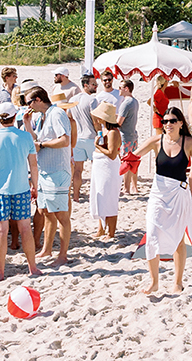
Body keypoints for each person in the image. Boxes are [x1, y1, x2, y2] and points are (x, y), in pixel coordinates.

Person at [131, 106, 192, 294]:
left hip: (178, 194)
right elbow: (133, 156)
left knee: (178, 238)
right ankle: (154, 281)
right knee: (152, 234)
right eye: (165, 121)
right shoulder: (156, 140)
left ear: (180, 123)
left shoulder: (189, 142)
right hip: (158, 194)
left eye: (171, 121)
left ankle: (177, 282)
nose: (167, 124)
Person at [0, 102, 40, 280]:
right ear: (14, 117)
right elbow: (33, 166)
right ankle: (32, 268)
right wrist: (35, 187)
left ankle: (0, 271)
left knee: (1, 231)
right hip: (21, 188)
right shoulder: (26, 137)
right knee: (25, 229)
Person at [26, 88, 73, 264]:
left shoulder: (57, 114)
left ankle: (63, 255)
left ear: (37, 100)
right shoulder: (42, 117)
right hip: (45, 170)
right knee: (46, 211)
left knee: (61, 214)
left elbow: (65, 140)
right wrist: (28, 124)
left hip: (57, 170)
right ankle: (47, 249)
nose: (27, 106)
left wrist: (43, 144)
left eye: (28, 102)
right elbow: (35, 142)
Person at [89, 100, 124, 239]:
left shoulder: (113, 133)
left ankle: (111, 232)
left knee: (109, 198)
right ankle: (101, 229)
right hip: (101, 168)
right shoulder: (106, 130)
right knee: (100, 196)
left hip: (108, 168)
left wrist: (97, 146)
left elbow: (112, 154)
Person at [70, 73, 101, 206]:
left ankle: (76, 195)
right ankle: (95, 194)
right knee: (97, 168)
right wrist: (100, 133)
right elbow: (95, 120)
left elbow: (70, 118)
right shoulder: (91, 100)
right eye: (93, 84)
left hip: (77, 137)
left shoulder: (73, 99)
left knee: (78, 169)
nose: (96, 86)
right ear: (86, 85)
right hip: (90, 137)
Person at [117, 80, 142, 196]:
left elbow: (119, 122)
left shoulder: (126, 103)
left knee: (126, 162)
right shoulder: (135, 101)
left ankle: (126, 188)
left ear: (126, 88)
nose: (119, 89)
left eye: (120, 87)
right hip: (132, 134)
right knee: (133, 161)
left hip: (125, 136)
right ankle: (134, 187)